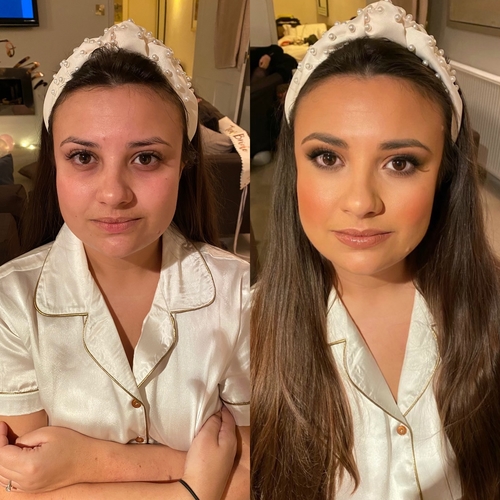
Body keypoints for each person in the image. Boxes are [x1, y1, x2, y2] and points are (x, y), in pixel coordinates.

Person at [251, 2, 500, 500]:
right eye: (328, 157)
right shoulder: (239, 331)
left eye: (400, 163)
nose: (361, 202)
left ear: (444, 175)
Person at [0, 20, 250, 499]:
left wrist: (80, 464)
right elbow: (20, 486)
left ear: (184, 165)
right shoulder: (11, 301)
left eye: (145, 158)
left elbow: (254, 469)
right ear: (54, 164)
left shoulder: (241, 293)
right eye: (83, 157)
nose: (114, 194)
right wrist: (191, 486)